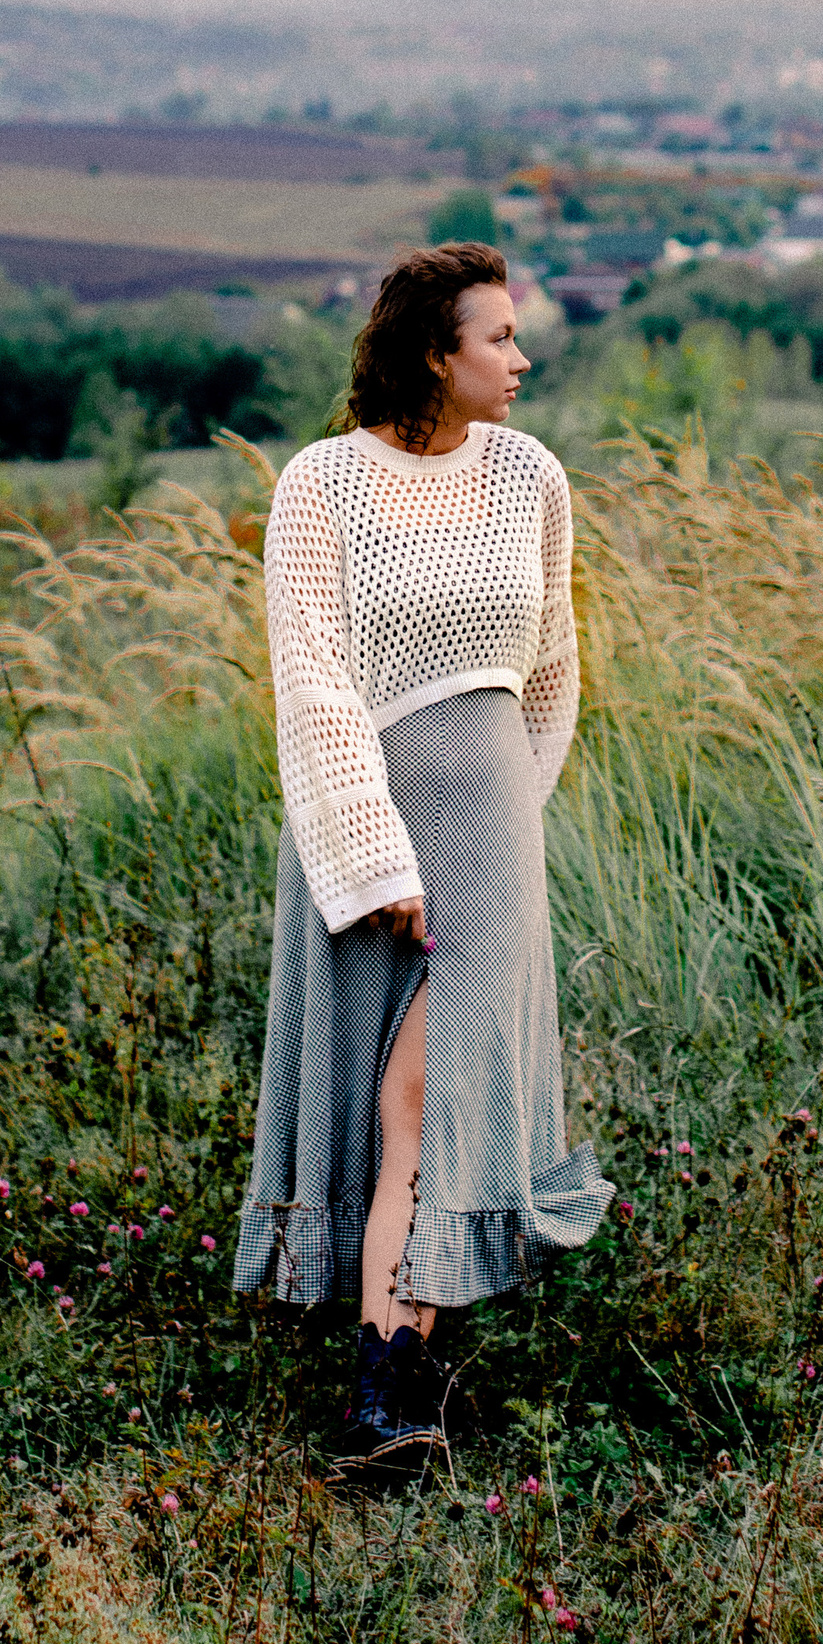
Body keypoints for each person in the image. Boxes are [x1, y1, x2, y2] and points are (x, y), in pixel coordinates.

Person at [231, 241, 612, 1473]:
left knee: (431, 1092)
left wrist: (507, 808)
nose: (521, 356)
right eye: (497, 336)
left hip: (493, 832)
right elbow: (315, 678)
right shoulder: (321, 483)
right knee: (385, 1096)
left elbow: (551, 667)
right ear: (432, 352)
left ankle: (389, 1379)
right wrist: (376, 848)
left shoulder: (531, 476)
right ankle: (400, 1373)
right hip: (364, 827)